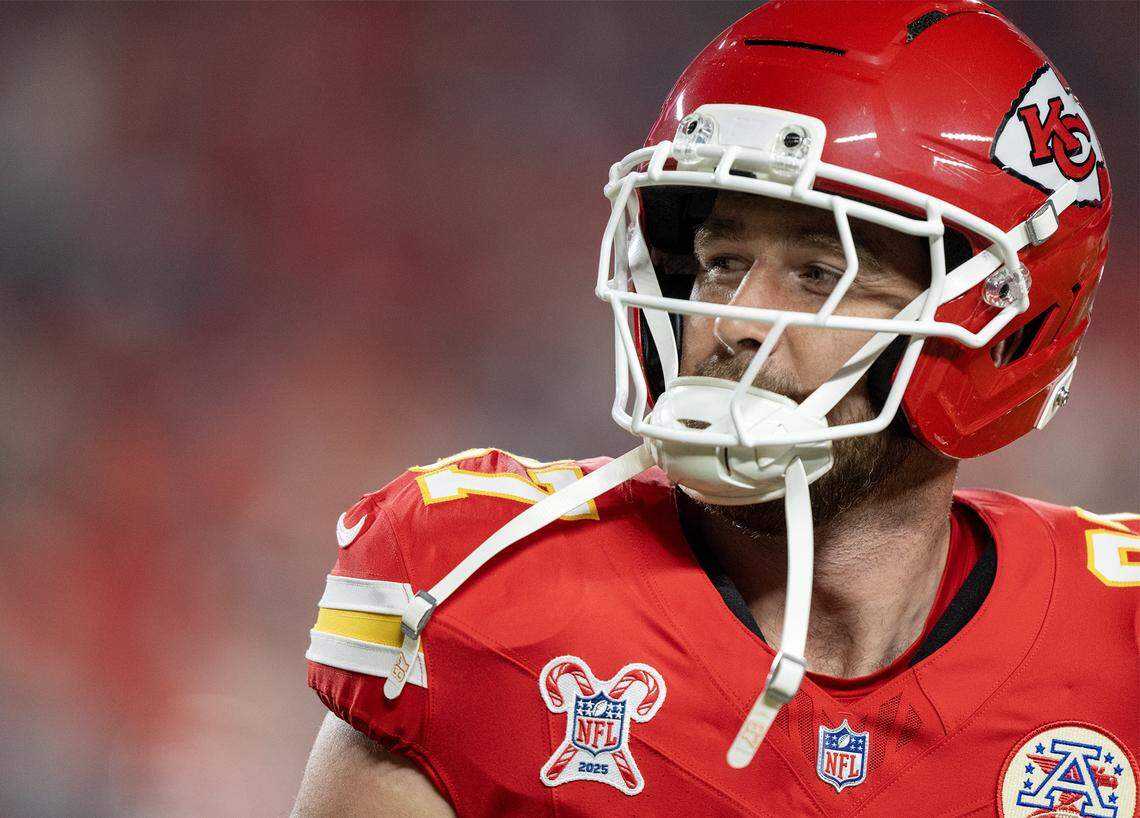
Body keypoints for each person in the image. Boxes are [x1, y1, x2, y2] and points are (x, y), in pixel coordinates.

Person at [293, 2, 1137, 816]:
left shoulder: (1116, 641)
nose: (732, 321)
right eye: (721, 261)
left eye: (820, 273)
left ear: (1002, 323)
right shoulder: (479, 595)